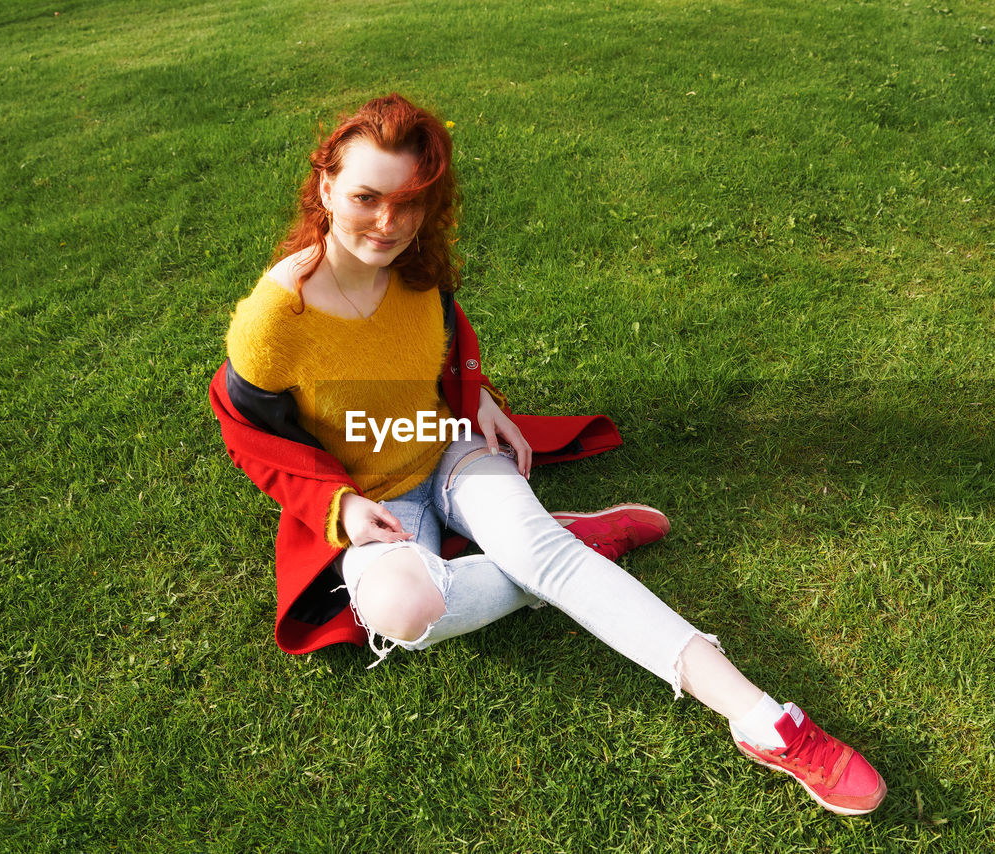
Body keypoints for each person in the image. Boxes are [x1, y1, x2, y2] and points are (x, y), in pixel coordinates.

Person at [212, 93, 887, 816]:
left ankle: (765, 723)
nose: (388, 223)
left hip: (449, 451)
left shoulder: (418, 270)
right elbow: (247, 432)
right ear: (325, 190)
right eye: (366, 197)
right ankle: (562, 546)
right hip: (376, 495)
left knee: (551, 563)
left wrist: (485, 401)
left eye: (409, 203)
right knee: (398, 613)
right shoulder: (275, 317)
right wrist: (337, 505)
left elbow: (440, 352)